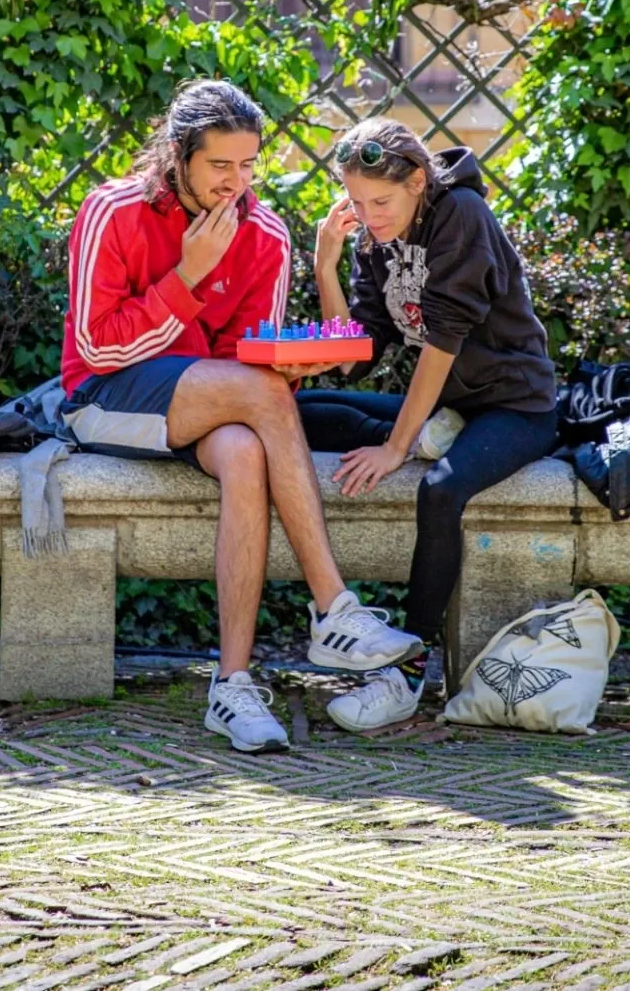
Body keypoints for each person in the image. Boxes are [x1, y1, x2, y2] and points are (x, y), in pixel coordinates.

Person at [60, 80, 421, 753]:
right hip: (104, 402)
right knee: (261, 399)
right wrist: (186, 279)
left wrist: (282, 367)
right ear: (177, 154)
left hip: (202, 409)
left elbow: (239, 363)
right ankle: (334, 611)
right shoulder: (112, 210)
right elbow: (96, 348)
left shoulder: (266, 233)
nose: (237, 183)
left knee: (247, 448)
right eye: (220, 165)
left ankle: (231, 685)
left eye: (249, 165)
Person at [298, 117, 559, 732]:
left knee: (440, 489)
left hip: (515, 407)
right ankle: (431, 437)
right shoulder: (376, 236)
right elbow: (353, 350)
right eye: (357, 202)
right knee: (297, 416)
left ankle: (407, 669)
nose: (370, 215)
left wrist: (396, 446)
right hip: (449, 408)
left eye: (381, 201)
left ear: (418, 180)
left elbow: (441, 343)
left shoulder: (462, 213)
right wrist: (325, 263)